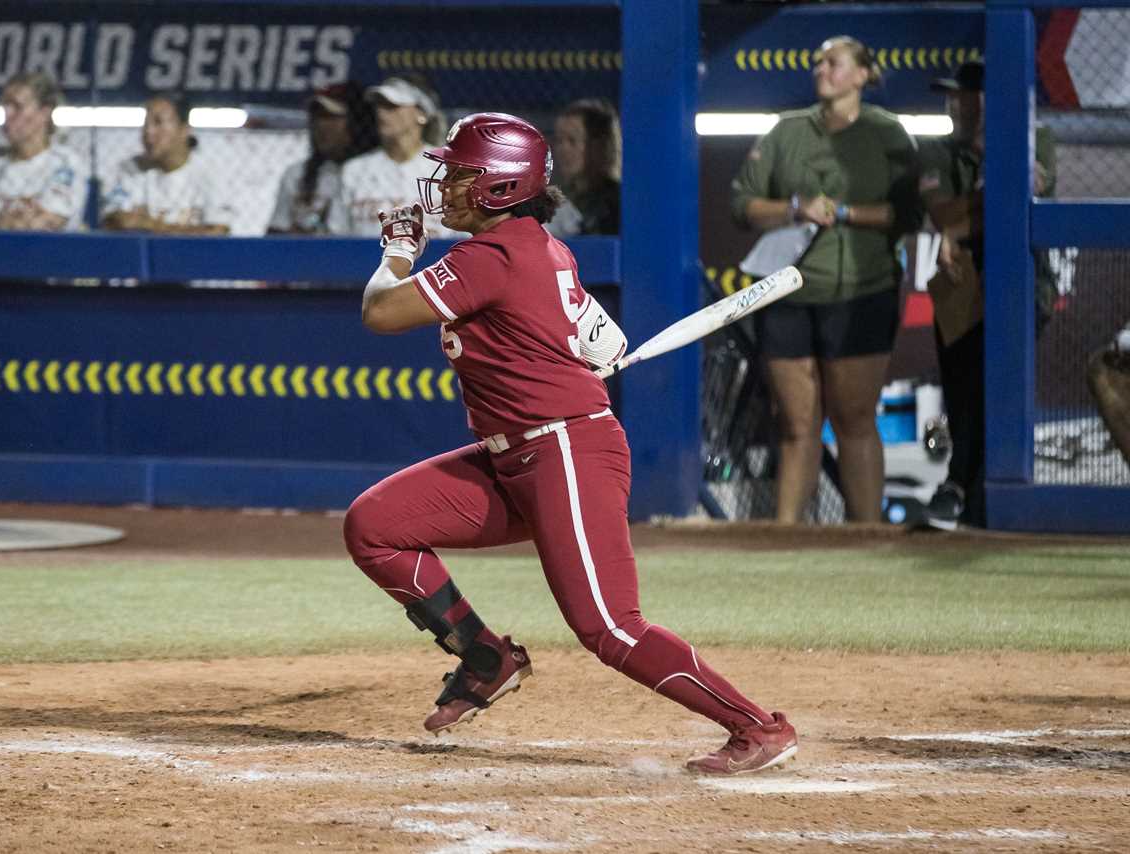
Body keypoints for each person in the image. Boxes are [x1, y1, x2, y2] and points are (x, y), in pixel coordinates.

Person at [343, 112, 798, 776]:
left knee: (609, 628)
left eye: (464, 175)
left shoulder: (495, 254)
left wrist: (397, 255)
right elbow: (598, 340)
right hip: (513, 456)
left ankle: (759, 727)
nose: (448, 187)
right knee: (374, 525)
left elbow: (380, 311)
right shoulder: (542, 249)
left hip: (564, 454)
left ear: (501, 188)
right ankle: (485, 658)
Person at [730, 35, 919, 524]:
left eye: (833, 62)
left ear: (862, 74)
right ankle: (786, 537)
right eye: (817, 61)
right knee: (796, 425)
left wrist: (847, 212)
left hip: (863, 291)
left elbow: (911, 212)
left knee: (855, 420)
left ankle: (867, 535)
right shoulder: (786, 131)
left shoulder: (889, 132)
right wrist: (795, 208)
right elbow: (742, 204)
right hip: (788, 293)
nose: (821, 69)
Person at [918, 59, 1058, 528]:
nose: (954, 105)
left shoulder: (1036, 136)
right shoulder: (938, 152)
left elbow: (1022, 200)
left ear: (988, 100)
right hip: (961, 286)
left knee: (990, 383)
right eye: (951, 96)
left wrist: (970, 214)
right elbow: (943, 215)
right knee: (960, 390)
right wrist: (980, 203)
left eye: (963, 96)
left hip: (1018, 283)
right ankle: (965, 493)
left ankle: (961, 486)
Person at [328, 75, 459, 239]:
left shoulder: (447, 168)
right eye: (379, 106)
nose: (381, 113)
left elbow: (463, 234)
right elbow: (337, 233)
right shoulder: (354, 170)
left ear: (421, 114)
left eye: (392, 106)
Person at [0, 72, 86, 231]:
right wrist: (10, 221)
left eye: (17, 107)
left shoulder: (65, 163)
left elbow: (47, 223)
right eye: (4, 106)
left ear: (44, 113)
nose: (7, 114)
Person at [101, 93, 235, 235]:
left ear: (184, 130)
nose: (148, 132)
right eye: (145, 124)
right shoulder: (129, 169)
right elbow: (113, 221)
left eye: (158, 123)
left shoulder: (211, 173)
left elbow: (217, 233)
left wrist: (149, 224)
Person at [268, 83, 376, 234]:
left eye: (331, 117)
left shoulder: (378, 171)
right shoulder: (298, 174)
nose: (321, 125)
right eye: (316, 117)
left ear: (357, 122)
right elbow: (276, 230)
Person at [550, 98, 621, 235]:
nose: (563, 149)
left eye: (572, 140)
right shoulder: (556, 199)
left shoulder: (616, 205)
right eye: (559, 140)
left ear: (599, 146)